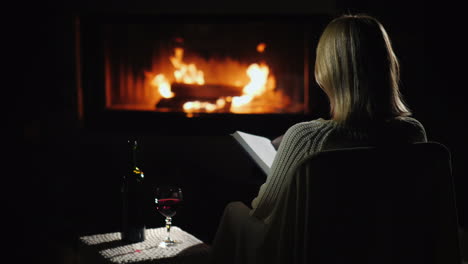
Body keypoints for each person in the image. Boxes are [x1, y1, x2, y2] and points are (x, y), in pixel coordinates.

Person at [210, 13, 427, 264]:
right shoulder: (413, 132)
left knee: (234, 211)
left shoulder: (306, 138)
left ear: (326, 69)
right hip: (385, 249)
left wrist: (290, 153)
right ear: (387, 63)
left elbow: (263, 209)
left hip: (315, 252)